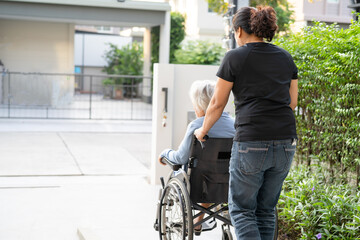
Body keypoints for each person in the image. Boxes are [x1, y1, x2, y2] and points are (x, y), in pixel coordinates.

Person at [194, 6, 298, 240]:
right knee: (266, 210)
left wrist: (203, 130)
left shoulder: (234, 57)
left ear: (239, 30)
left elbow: (216, 104)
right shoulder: (285, 57)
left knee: (242, 211)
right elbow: (292, 102)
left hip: (252, 141)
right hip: (286, 142)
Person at [158, 80, 235, 235]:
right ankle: (198, 221)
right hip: (228, 182)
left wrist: (165, 153)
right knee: (210, 173)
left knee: (198, 174)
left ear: (200, 105)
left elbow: (180, 158)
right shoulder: (235, 124)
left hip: (200, 184)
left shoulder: (197, 125)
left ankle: (197, 222)